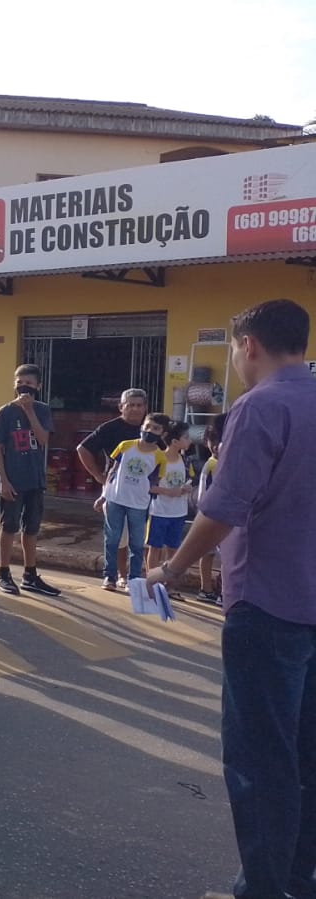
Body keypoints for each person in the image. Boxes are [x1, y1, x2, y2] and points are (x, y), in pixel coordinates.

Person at [145, 299, 316, 899]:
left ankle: (265, 889)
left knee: (260, 760)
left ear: (248, 346)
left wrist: (172, 568)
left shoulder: (261, 406)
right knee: (305, 756)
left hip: (267, 608)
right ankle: (299, 877)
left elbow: (223, 510)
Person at [0, 364, 60, 597]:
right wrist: (3, 481)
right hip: (13, 479)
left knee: (32, 528)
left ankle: (30, 574)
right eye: (19, 382)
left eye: (29, 383)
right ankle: (3, 573)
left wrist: (29, 412)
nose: (23, 387)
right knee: (9, 526)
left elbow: (42, 439)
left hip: (35, 479)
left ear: (38, 386)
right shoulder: (5, 412)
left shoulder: (42, 410)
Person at [78, 387, 147, 583]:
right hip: (115, 490)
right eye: (130, 405)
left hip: (144, 492)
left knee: (141, 537)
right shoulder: (109, 429)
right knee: (118, 536)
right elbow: (82, 449)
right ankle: (119, 575)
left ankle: (141, 576)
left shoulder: (152, 429)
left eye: (139, 405)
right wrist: (99, 477)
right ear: (121, 407)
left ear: (145, 408)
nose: (135, 409)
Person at [99, 412, 170, 592]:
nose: (149, 430)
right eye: (147, 426)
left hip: (139, 504)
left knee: (137, 543)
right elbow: (112, 471)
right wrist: (104, 496)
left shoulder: (160, 457)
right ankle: (110, 576)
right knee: (112, 539)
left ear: (163, 433)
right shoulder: (125, 446)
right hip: (116, 499)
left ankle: (134, 579)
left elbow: (155, 482)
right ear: (141, 427)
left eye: (155, 428)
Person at [143, 419, 193, 574]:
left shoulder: (185, 461)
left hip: (178, 512)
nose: (189, 440)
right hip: (159, 511)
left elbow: (191, 479)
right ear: (175, 441)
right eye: (186, 437)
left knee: (173, 549)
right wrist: (170, 492)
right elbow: (149, 486)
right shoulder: (158, 459)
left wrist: (187, 488)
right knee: (155, 548)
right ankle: (152, 580)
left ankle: (168, 584)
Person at [193, 424, 223, 605]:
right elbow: (204, 493)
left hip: (210, 513)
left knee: (210, 554)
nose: (218, 445)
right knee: (217, 555)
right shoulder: (214, 464)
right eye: (214, 441)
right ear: (206, 443)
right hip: (213, 515)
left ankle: (208, 589)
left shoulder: (214, 463)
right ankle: (215, 591)